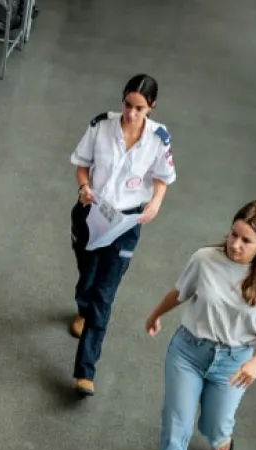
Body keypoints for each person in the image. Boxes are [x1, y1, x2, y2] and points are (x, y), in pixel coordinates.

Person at [135, 201, 256, 450]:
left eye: (246, 240)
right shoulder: (205, 259)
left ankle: (220, 435)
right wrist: (156, 314)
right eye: (233, 234)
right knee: (177, 423)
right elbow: (180, 292)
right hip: (187, 352)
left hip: (234, 362)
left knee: (214, 424)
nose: (235, 244)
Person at [68, 73, 177, 397]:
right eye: (128, 104)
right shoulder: (101, 126)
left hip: (125, 223)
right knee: (87, 277)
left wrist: (156, 202)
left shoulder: (158, 139)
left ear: (151, 107)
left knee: (104, 294)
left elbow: (163, 177)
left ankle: (85, 372)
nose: (131, 113)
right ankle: (82, 307)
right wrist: (84, 187)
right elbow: (82, 163)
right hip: (91, 212)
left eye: (139, 108)